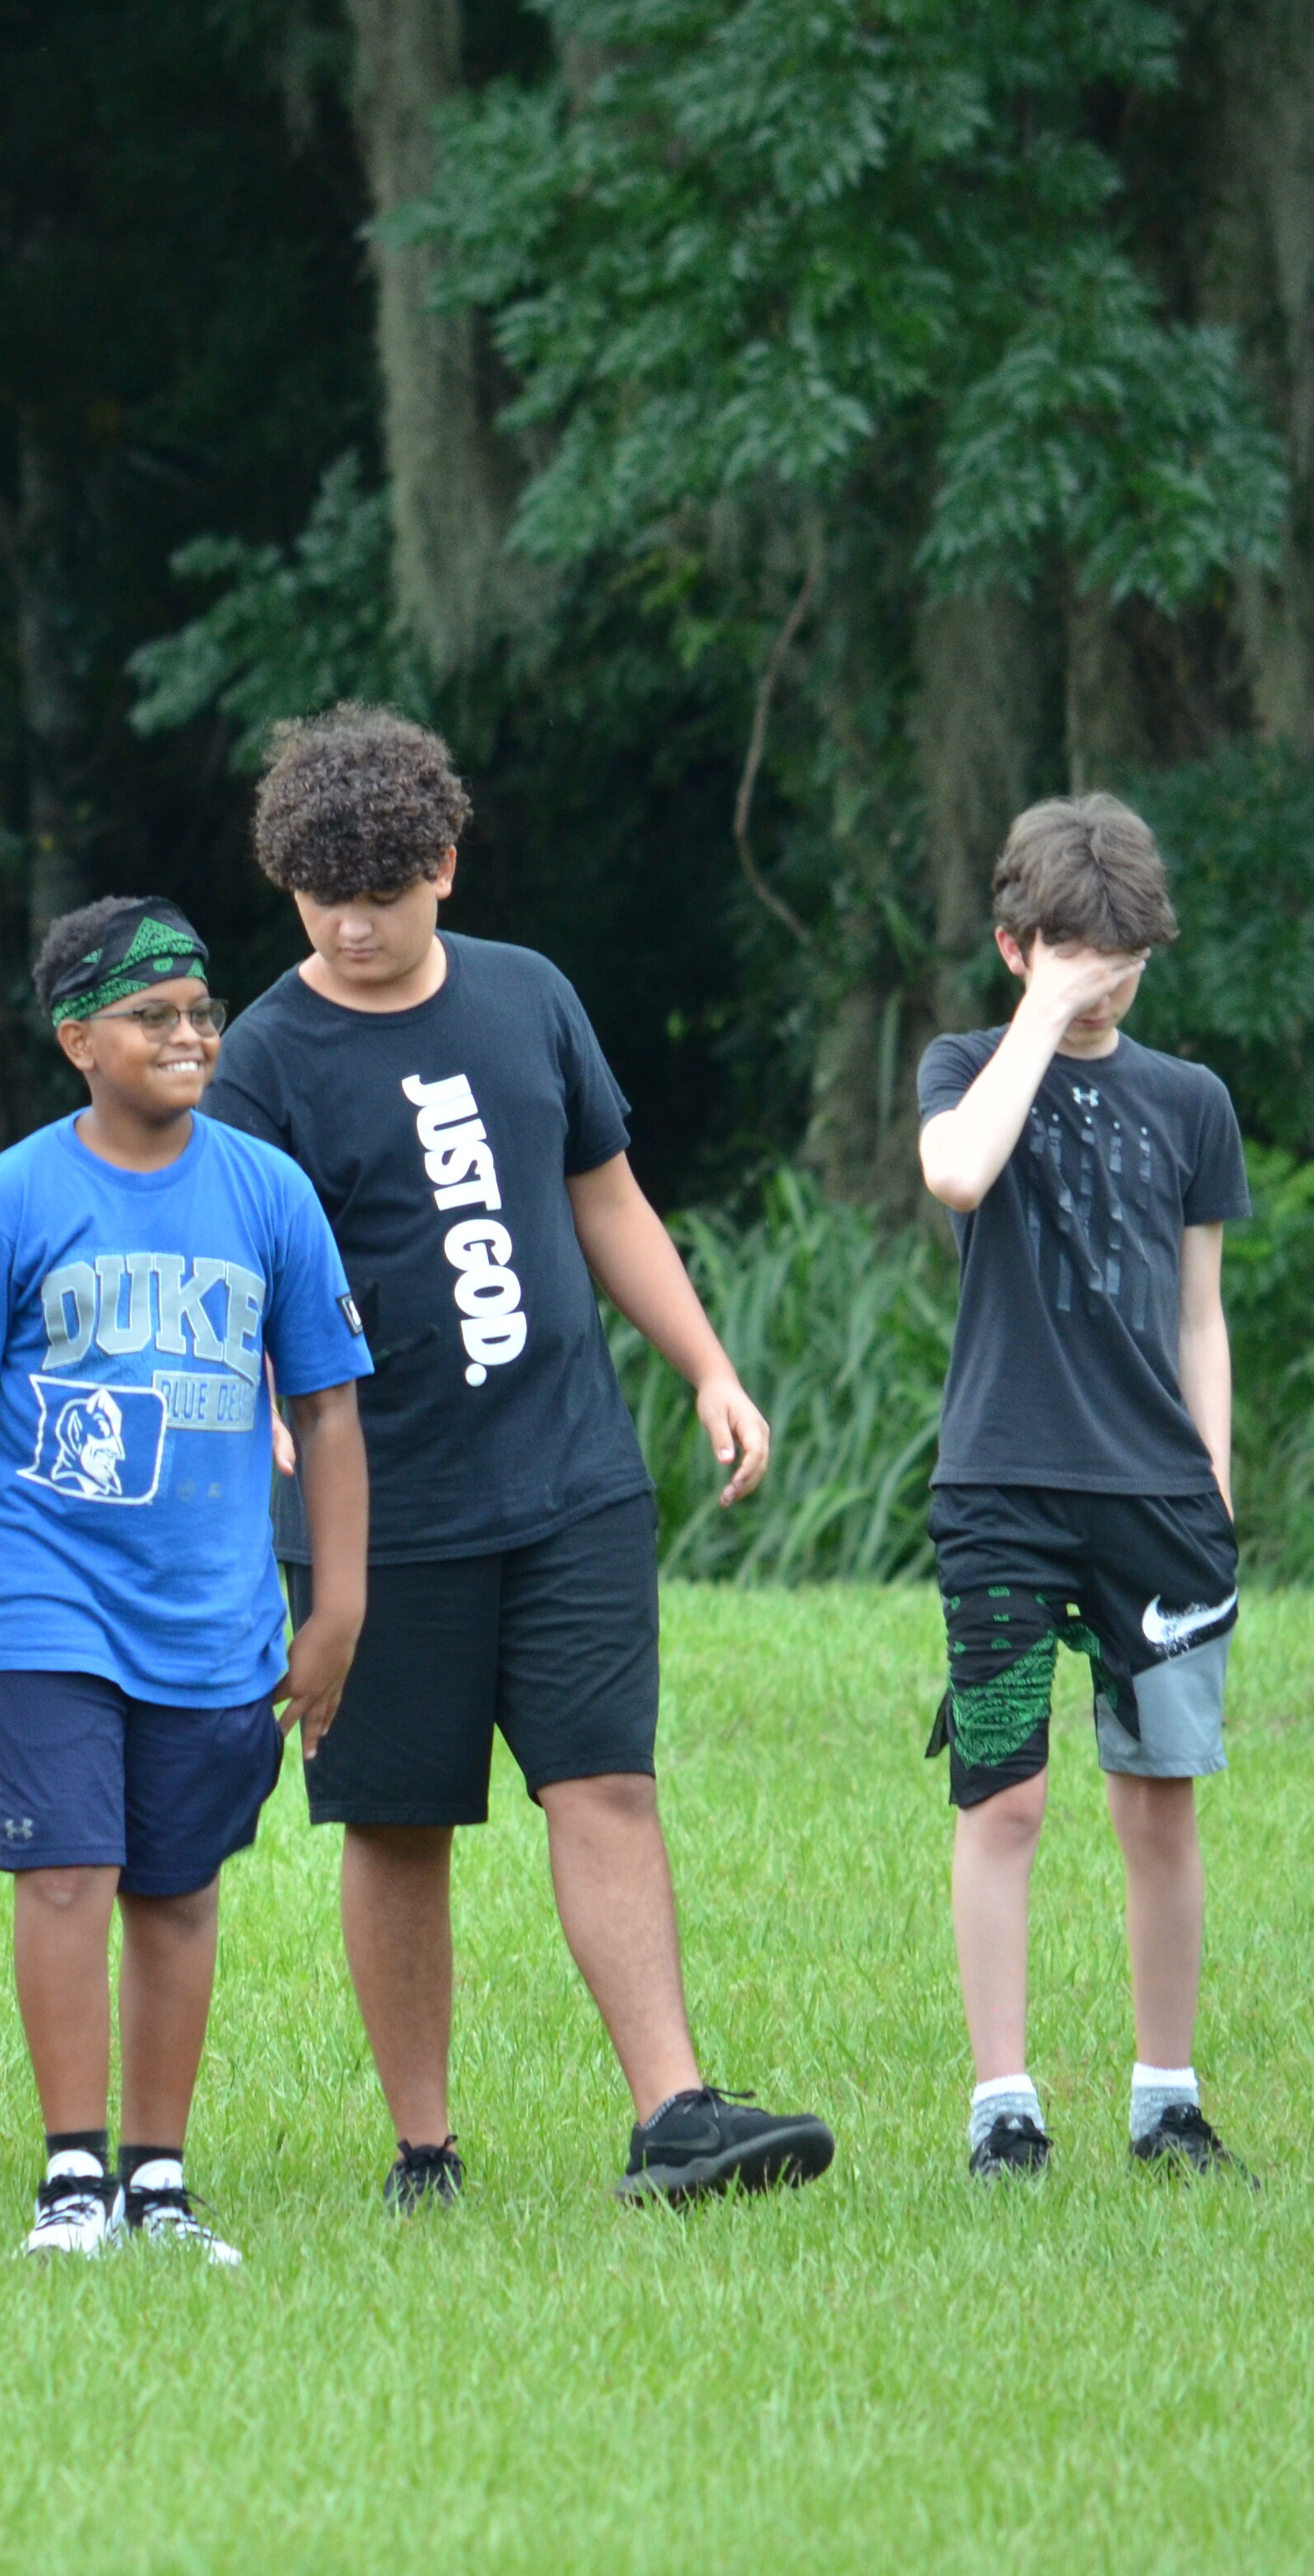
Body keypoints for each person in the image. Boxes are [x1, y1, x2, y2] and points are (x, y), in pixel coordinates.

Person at [202, 704, 837, 2209]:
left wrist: (708, 1368)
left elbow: (605, 1195)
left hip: (568, 1479)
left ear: (445, 866)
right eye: (319, 897)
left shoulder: (529, 995)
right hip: (376, 1513)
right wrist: (264, 1407)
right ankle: (423, 2148)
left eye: (382, 892)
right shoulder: (264, 1061)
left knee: (604, 1781)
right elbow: (236, 1273)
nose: (351, 926)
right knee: (396, 1821)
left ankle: (674, 2114)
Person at [0, 896, 373, 2261]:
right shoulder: (10, 1200)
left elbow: (329, 1409)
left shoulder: (266, 1193)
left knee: (177, 1885)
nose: (188, 1035)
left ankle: (157, 2178)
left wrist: (338, 1604)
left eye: (201, 1011)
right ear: (77, 1039)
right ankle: (72, 2176)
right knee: (65, 1874)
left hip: (213, 1609)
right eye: (151, 1015)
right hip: (47, 1596)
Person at [915, 792, 1249, 2182]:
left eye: (1126, 960)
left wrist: (1212, 1478)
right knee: (1002, 1797)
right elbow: (956, 1173)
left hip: (1154, 1504)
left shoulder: (1191, 1101)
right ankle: (1004, 2106)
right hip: (1001, 1490)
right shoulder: (964, 1066)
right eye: (1076, 955)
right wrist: (1041, 1019)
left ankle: (1166, 2100)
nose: (1106, 981)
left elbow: (1199, 1315)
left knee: (1157, 1800)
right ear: (1015, 946)